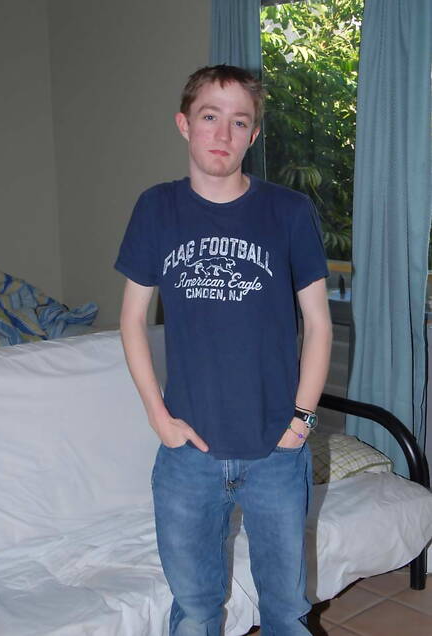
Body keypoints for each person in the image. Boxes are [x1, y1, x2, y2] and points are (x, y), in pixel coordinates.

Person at [114, 64, 333, 636]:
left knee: (287, 613)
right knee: (195, 611)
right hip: (188, 454)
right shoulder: (156, 208)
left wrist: (302, 422)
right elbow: (132, 319)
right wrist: (158, 418)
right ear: (184, 123)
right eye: (210, 116)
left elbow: (318, 324)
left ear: (253, 134)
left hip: (276, 454)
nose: (223, 133)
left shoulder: (289, 212)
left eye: (239, 122)